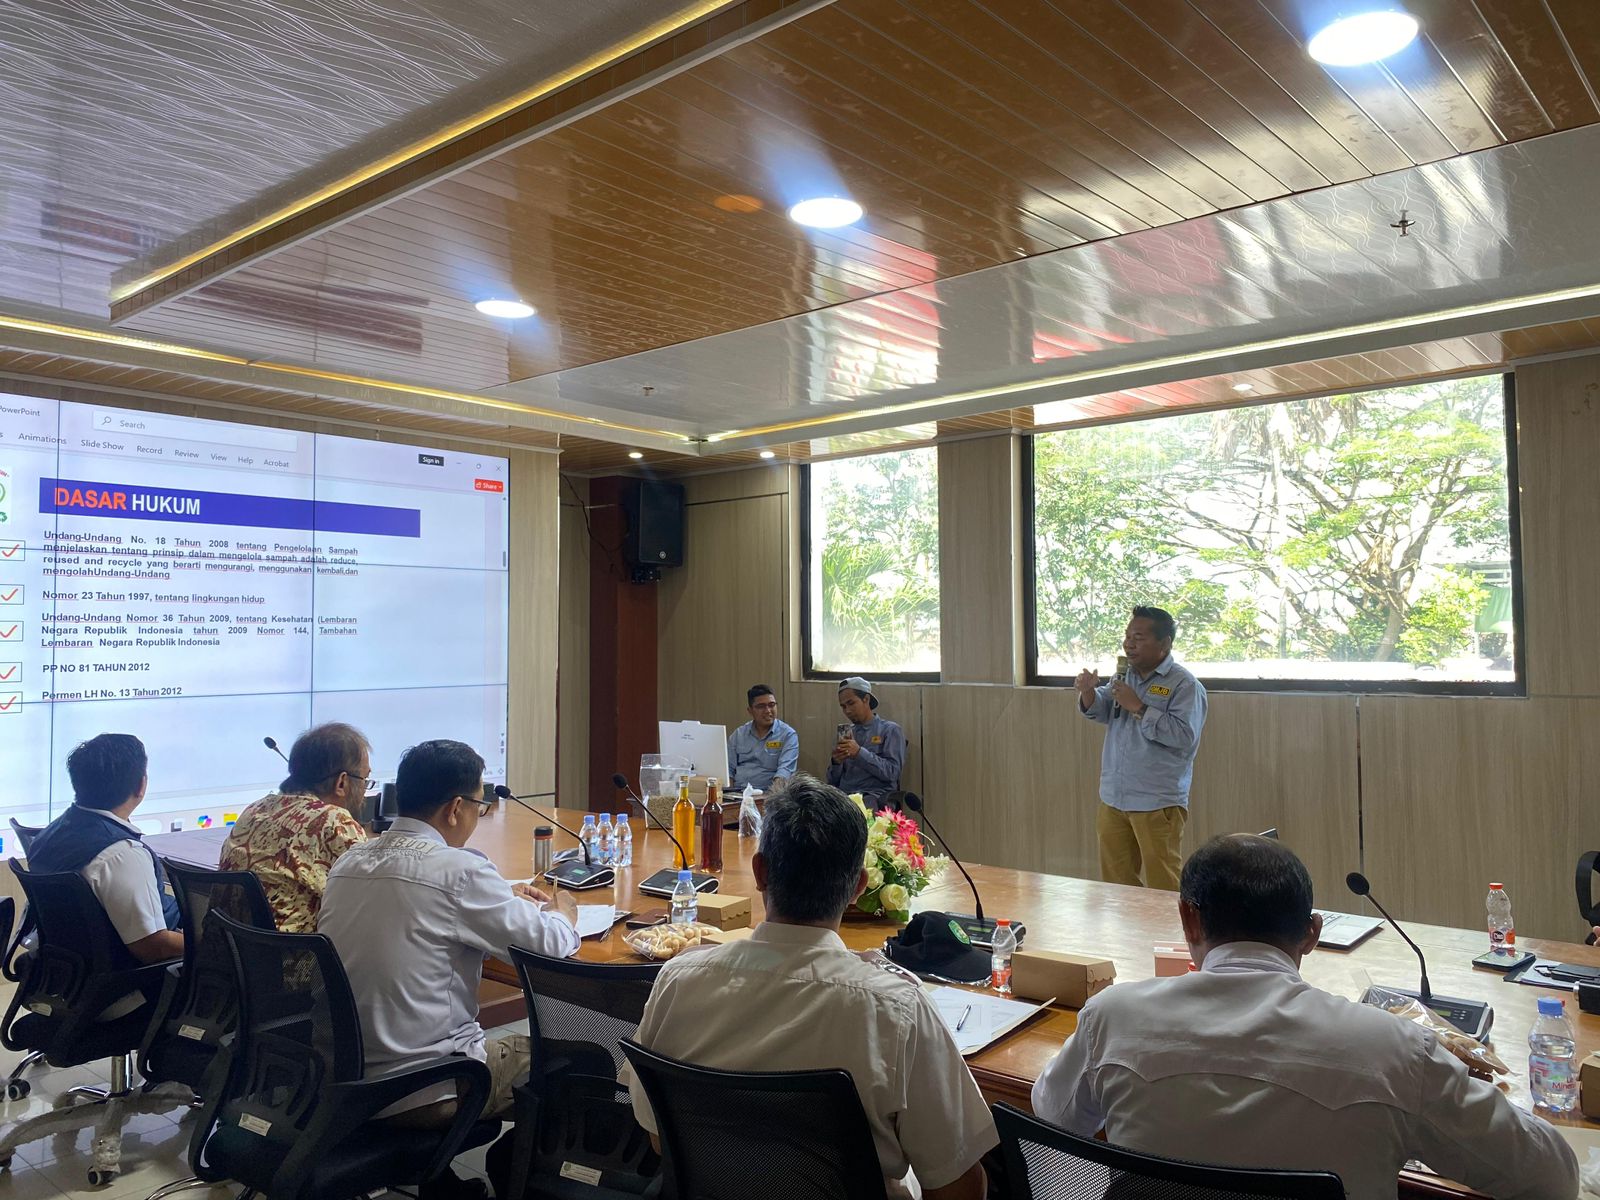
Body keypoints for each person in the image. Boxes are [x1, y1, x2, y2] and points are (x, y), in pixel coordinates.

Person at [1032, 835, 1579, 1200]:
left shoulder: (1113, 1017)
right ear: (1313, 933)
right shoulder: (1393, 1050)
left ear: (1187, 919)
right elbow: (1550, 1177)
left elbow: (1053, 1114)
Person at [625, 775, 994, 1200]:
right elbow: (959, 1188)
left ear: (760, 872)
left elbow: (659, 1138)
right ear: (858, 887)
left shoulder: (678, 981)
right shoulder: (897, 1011)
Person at [319, 739, 579, 1132]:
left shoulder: (348, 862)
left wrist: (497, 901)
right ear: (456, 808)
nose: (478, 816)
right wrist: (564, 914)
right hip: (427, 1087)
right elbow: (549, 946)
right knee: (580, 1060)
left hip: (341, 1085)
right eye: (479, 806)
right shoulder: (459, 872)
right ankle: (519, 1164)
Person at [1076, 605, 1207, 890]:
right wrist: (1088, 693)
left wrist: (1139, 707)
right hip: (1114, 797)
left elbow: (1184, 736)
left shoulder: (1184, 684)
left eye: (1138, 637)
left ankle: (1169, 923)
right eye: (1127, 636)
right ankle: (1125, 923)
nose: (1129, 644)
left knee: (1164, 883)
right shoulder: (1124, 677)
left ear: (1164, 643)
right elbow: (1102, 709)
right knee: (1116, 884)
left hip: (1156, 801)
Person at [27, 733, 183, 972]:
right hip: (131, 981)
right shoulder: (121, 854)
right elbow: (153, 948)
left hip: (71, 972)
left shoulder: (47, 835)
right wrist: (210, 945)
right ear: (141, 785)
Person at [220, 722, 370, 932]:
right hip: (294, 952)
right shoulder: (334, 821)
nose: (365, 788)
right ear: (341, 783)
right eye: (365, 779)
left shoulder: (255, 809)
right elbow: (372, 899)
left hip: (229, 948)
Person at [827, 676, 905, 807]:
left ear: (866, 699)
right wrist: (836, 763)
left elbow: (892, 773)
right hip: (844, 797)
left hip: (874, 796)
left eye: (851, 703)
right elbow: (832, 782)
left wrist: (859, 753)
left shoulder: (890, 730)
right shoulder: (846, 734)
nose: (847, 711)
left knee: (864, 806)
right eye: (843, 706)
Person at [726, 683, 799, 793]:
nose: (768, 710)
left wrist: (772, 798)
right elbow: (728, 770)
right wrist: (729, 795)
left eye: (772, 705)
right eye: (761, 706)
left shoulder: (788, 735)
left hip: (769, 794)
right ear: (750, 711)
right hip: (738, 794)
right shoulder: (738, 734)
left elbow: (785, 771)